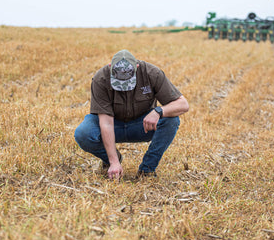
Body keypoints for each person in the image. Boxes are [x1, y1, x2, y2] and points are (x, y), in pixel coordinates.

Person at [74, 49, 189, 180]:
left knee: (171, 120)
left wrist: (158, 111)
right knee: (83, 133)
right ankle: (112, 158)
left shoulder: (152, 73)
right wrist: (113, 161)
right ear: (111, 68)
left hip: (142, 126)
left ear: (137, 67)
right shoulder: (101, 78)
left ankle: (147, 170)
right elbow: (106, 122)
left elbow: (183, 104)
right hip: (113, 126)